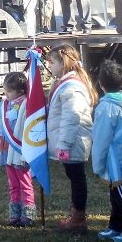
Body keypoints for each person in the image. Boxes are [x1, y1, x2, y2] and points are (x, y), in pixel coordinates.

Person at [46, 45, 96, 232]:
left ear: (63, 62)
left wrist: (64, 144)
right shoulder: (64, 83)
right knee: (74, 177)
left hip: (73, 141)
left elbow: (72, 116)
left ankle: (78, 218)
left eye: (52, 62)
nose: (49, 65)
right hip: (70, 140)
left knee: (76, 178)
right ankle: (76, 213)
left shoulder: (72, 86)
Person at [91, 61, 122, 242]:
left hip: (117, 160)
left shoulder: (106, 108)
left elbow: (101, 138)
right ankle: (117, 225)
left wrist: (97, 163)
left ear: (100, 84)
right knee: (116, 194)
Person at [0, 72, 35, 227]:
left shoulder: (28, 105)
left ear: (21, 91)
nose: (6, 94)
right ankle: (14, 215)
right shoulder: (4, 105)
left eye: (9, 91)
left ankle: (28, 215)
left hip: (20, 151)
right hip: (6, 149)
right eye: (5, 90)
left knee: (25, 183)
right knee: (13, 184)